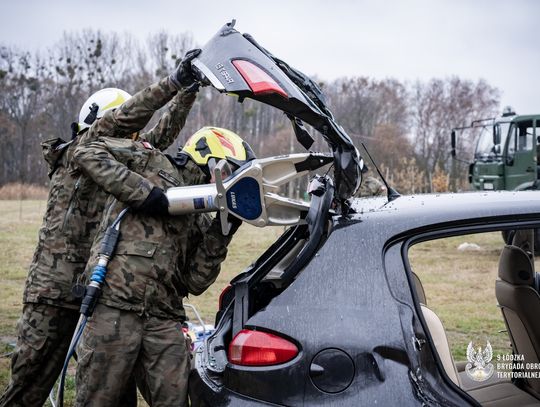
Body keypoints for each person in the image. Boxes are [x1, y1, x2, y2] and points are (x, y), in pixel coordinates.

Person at [0, 49, 202, 407]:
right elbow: (128, 120)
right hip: (54, 295)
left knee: (112, 390)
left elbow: (158, 136)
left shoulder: (118, 155)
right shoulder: (83, 149)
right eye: (126, 125)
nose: (133, 134)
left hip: (97, 296)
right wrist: (173, 82)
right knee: (28, 387)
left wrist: (188, 91)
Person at [72, 127, 255, 407]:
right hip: (113, 309)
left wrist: (224, 229)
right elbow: (86, 151)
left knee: (176, 400)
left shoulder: (200, 215)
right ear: (210, 159)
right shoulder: (148, 161)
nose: (228, 181)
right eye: (230, 171)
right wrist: (145, 194)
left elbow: (195, 281)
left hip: (163, 319)